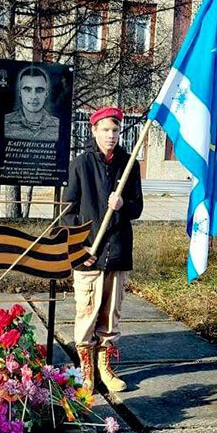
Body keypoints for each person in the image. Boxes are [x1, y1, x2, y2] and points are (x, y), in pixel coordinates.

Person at [63, 105, 142, 393]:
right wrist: (81, 246)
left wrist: (123, 206)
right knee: (87, 311)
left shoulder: (129, 163)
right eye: (105, 130)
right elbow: (68, 212)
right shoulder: (81, 164)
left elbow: (138, 207)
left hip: (117, 250)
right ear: (93, 130)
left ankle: (105, 367)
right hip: (88, 254)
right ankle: (86, 370)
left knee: (110, 314)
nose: (111, 135)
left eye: (116, 130)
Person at [4, 67, 59, 142]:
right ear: (20, 93)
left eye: (39, 90)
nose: (33, 96)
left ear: (46, 93)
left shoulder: (58, 126)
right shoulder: (5, 123)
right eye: (27, 89)